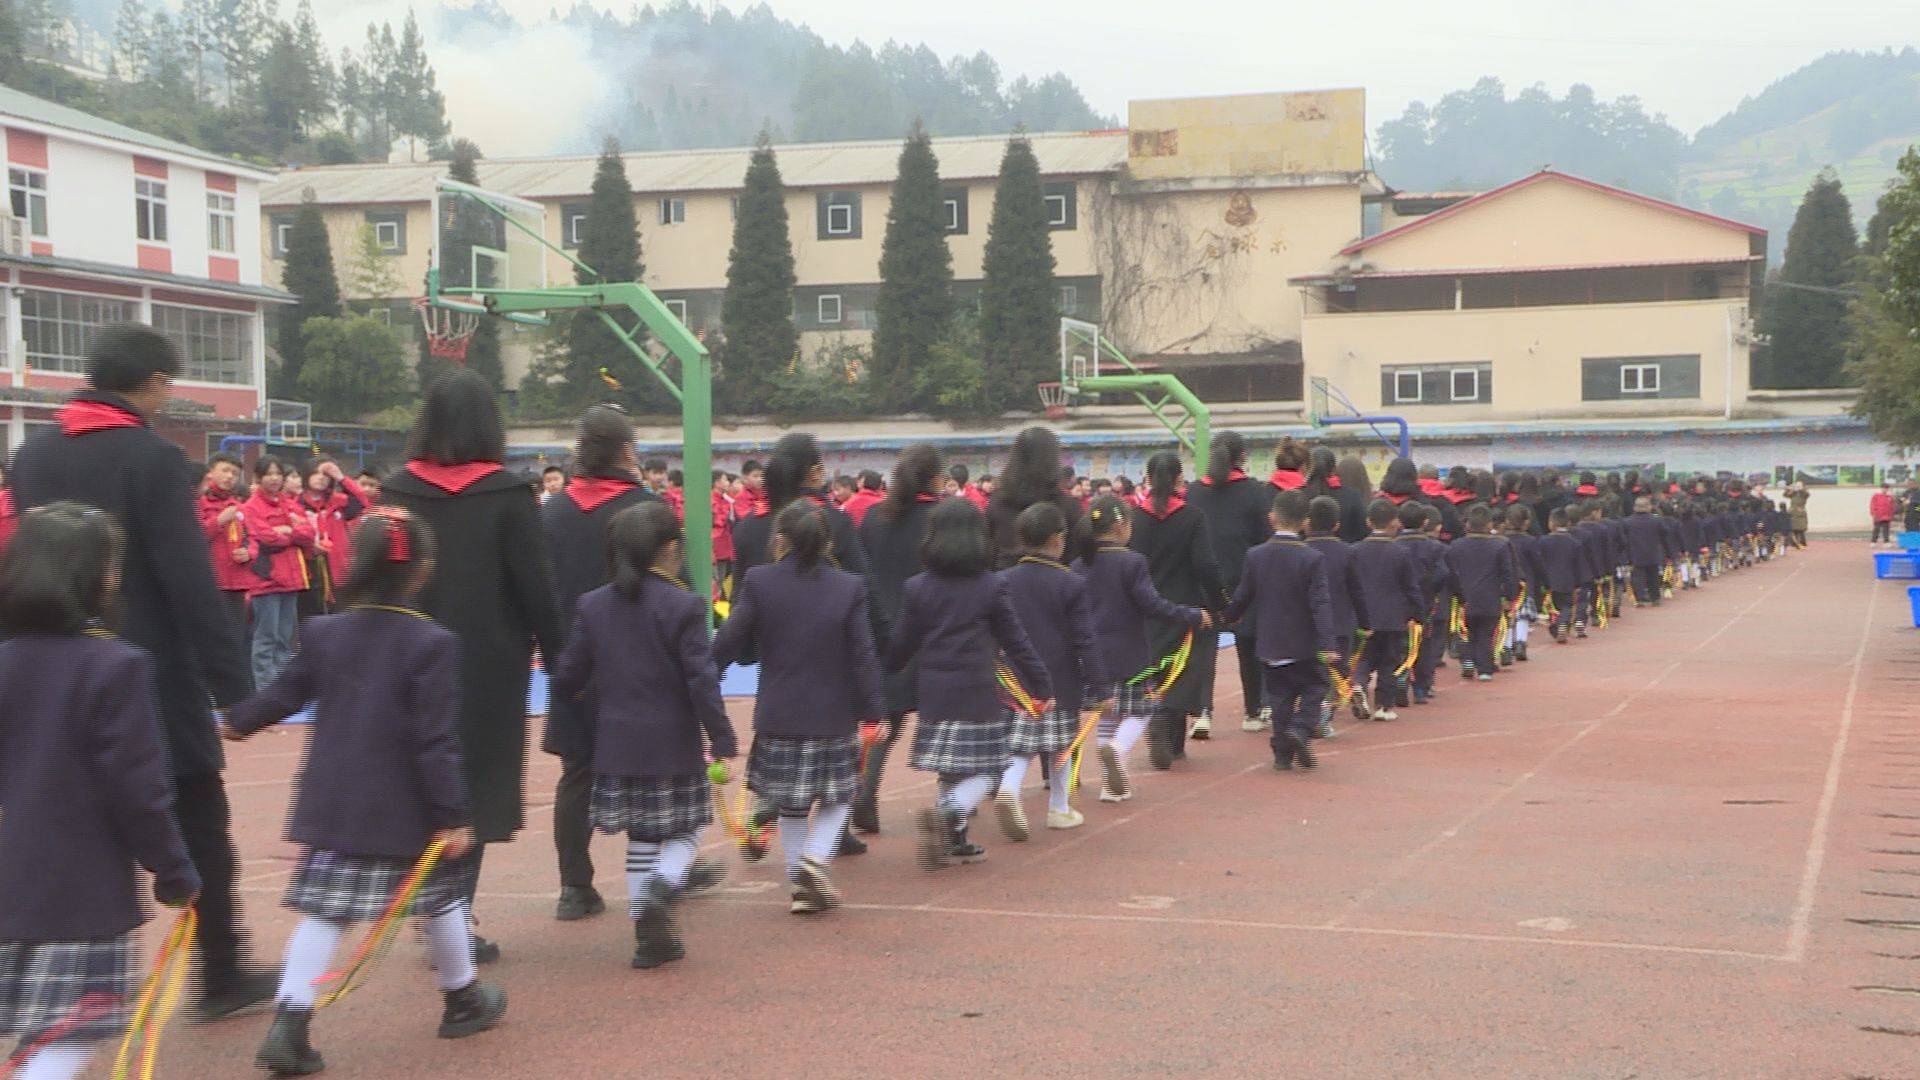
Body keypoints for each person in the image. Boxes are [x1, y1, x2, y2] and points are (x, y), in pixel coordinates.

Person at [7, 324, 267, 1018]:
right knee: (199, 828)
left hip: (47, 665)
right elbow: (190, 578)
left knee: (65, 826)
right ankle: (221, 972)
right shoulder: (151, 457)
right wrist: (237, 692)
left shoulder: (31, 452)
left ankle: (51, 994)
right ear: (154, 382)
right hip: (146, 672)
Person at [224, 511, 506, 1074]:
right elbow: (434, 739)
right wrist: (452, 815)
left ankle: (291, 1023)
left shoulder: (327, 632)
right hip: (406, 805)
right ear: (421, 572)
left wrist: (241, 718)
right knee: (441, 898)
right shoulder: (432, 641)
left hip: (336, 799)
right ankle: (461, 996)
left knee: (325, 913)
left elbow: (287, 689)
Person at [0, 503, 201, 1080]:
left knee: (44, 1025)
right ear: (92, 579)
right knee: (74, 1026)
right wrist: (174, 868)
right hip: (80, 885)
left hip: (14, 879)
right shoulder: (115, 665)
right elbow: (137, 786)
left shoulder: (8, 660)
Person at [382, 370, 566, 964]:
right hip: (486, 658)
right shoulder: (506, 493)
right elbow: (534, 585)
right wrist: (561, 656)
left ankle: (433, 902)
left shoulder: (397, 491)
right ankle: (455, 913)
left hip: (405, 651)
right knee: (476, 783)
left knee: (417, 774)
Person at [550, 502, 738, 968]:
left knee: (641, 838)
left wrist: (600, 704)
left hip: (616, 744)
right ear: (671, 550)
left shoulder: (593, 605)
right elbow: (701, 679)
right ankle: (664, 885)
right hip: (673, 742)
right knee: (687, 829)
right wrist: (722, 737)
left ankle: (647, 938)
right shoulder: (685, 605)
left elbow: (567, 678)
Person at [713, 502, 882, 914]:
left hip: (778, 714)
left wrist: (700, 678)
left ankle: (798, 880)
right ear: (828, 542)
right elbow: (863, 656)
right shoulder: (849, 587)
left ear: (780, 540)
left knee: (789, 803)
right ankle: (814, 860)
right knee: (838, 799)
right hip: (833, 715)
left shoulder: (758, 581)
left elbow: (728, 642)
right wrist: (874, 713)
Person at [884, 498, 1050, 871]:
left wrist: (886, 670)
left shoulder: (917, 587)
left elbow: (901, 644)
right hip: (976, 686)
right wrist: (1041, 685)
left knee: (951, 769)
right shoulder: (990, 587)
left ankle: (955, 836)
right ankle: (949, 814)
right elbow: (1017, 641)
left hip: (934, 688)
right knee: (990, 767)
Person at [540, 406, 659, 923]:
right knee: (646, 769)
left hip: (571, 659)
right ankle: (650, 883)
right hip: (637, 656)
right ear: (627, 451)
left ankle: (574, 885)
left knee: (577, 772)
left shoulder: (550, 513)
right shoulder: (646, 509)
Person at [1076, 495, 1208, 801]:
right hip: (1128, 652)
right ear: (1121, 525)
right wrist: (1190, 614)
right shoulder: (1132, 562)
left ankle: (1110, 783)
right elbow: (1152, 605)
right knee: (1143, 710)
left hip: (1091, 655)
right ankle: (1118, 752)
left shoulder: (1079, 564)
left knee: (1106, 714)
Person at [993, 502, 1110, 837]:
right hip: (1061, 678)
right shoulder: (1071, 583)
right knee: (1061, 745)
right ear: (1059, 539)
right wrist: (1101, 687)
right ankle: (1059, 807)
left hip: (1015, 678)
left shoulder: (1003, 580)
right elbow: (1085, 639)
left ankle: (1010, 787)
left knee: (1019, 744)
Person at [853, 444, 945, 835]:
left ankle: (864, 793)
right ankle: (954, 798)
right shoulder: (943, 519)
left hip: (882, 627)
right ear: (936, 478)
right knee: (945, 718)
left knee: (884, 720)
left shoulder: (874, 517)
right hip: (934, 627)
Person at [1224, 490, 1334, 772]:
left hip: (1270, 641)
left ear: (1272, 518)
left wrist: (1230, 616)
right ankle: (1300, 728)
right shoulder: (1312, 558)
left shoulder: (1255, 555)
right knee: (1315, 687)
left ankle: (1281, 753)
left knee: (1279, 697)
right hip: (1304, 642)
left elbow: (1243, 594)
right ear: (1305, 523)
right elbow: (1320, 603)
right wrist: (1328, 642)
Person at [1130, 451, 1224, 767]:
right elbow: (1206, 564)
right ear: (1179, 480)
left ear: (1147, 478)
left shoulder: (1134, 518)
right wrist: (1219, 602)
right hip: (1185, 604)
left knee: (1153, 667)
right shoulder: (1192, 517)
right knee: (1184, 669)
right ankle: (1174, 740)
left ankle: (1156, 718)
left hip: (1143, 605)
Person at [1185, 431, 1271, 733]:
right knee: (1248, 647)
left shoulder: (1194, 492)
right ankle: (1252, 712)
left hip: (1202, 577)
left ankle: (1202, 712)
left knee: (1203, 649)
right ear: (1242, 457)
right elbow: (1264, 537)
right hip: (1244, 576)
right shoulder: (1254, 492)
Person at [244, 456, 315, 690]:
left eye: (278, 474)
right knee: (266, 639)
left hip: (291, 581)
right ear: (258, 478)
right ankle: (265, 691)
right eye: (269, 474)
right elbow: (265, 537)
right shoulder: (251, 507)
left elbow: (309, 533)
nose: (274, 478)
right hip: (266, 581)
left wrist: (288, 531)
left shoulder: (291, 504)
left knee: (285, 640)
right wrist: (292, 532)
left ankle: (283, 691)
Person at [1349, 498, 1420, 721]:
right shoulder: (1401, 552)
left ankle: (1359, 684)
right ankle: (1384, 706)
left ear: (1368, 522)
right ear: (1395, 522)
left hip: (1362, 615)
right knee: (1389, 660)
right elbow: (1410, 586)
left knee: (1364, 657)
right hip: (1393, 615)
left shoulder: (1354, 551)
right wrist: (1417, 613)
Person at [1304, 495, 1365, 737]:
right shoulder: (1348, 552)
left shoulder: (1300, 551)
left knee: (1308, 674)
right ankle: (1326, 713)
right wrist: (1365, 622)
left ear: (1307, 522)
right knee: (1334, 673)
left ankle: (1310, 713)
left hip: (1306, 623)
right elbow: (1357, 590)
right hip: (1340, 622)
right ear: (1337, 525)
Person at [987, 426, 1083, 569]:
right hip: (1057, 586)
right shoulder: (1068, 506)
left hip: (1005, 585)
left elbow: (989, 551)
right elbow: (1077, 557)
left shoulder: (997, 503)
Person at [1444, 504, 1517, 681]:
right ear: (1489, 525)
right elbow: (1509, 573)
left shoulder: (1455, 546)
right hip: (1490, 596)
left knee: (1465, 630)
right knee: (1486, 632)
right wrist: (1509, 596)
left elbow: (1450, 572)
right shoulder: (1501, 545)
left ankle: (1467, 659)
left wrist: (1455, 593)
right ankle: (1484, 667)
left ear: (1467, 525)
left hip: (1462, 596)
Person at [294, 458, 370, 620]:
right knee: (310, 619)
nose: (320, 478)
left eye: (326, 474)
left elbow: (363, 502)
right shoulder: (294, 504)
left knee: (340, 618)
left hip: (338, 570)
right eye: (315, 473)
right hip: (308, 568)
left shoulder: (339, 501)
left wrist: (341, 477)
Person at [198, 452, 256, 639]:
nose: (230, 477)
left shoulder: (239, 506)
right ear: (210, 473)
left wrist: (249, 552)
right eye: (225, 471)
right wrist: (219, 520)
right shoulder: (199, 502)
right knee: (212, 637)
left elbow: (254, 537)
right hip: (211, 582)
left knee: (236, 636)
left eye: (234, 473)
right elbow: (193, 537)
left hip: (237, 582)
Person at [1536, 508, 1585, 643]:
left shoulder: (1543, 541)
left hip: (1549, 580)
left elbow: (1539, 562)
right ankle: (1563, 623)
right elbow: (1579, 565)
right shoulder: (1575, 543)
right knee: (1566, 606)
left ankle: (1557, 627)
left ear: (1551, 523)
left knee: (1551, 607)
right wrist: (1578, 583)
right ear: (1568, 523)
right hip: (1568, 580)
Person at [1786, 482, 1810, 548]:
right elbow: (1786, 495)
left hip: (1800, 513)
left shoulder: (1804, 493)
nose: (1797, 487)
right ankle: (1794, 543)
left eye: (1799, 486)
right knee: (1792, 529)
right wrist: (1789, 489)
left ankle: (1802, 543)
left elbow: (1807, 494)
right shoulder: (1794, 493)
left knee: (1801, 529)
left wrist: (1800, 489)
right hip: (1792, 512)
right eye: (1797, 485)